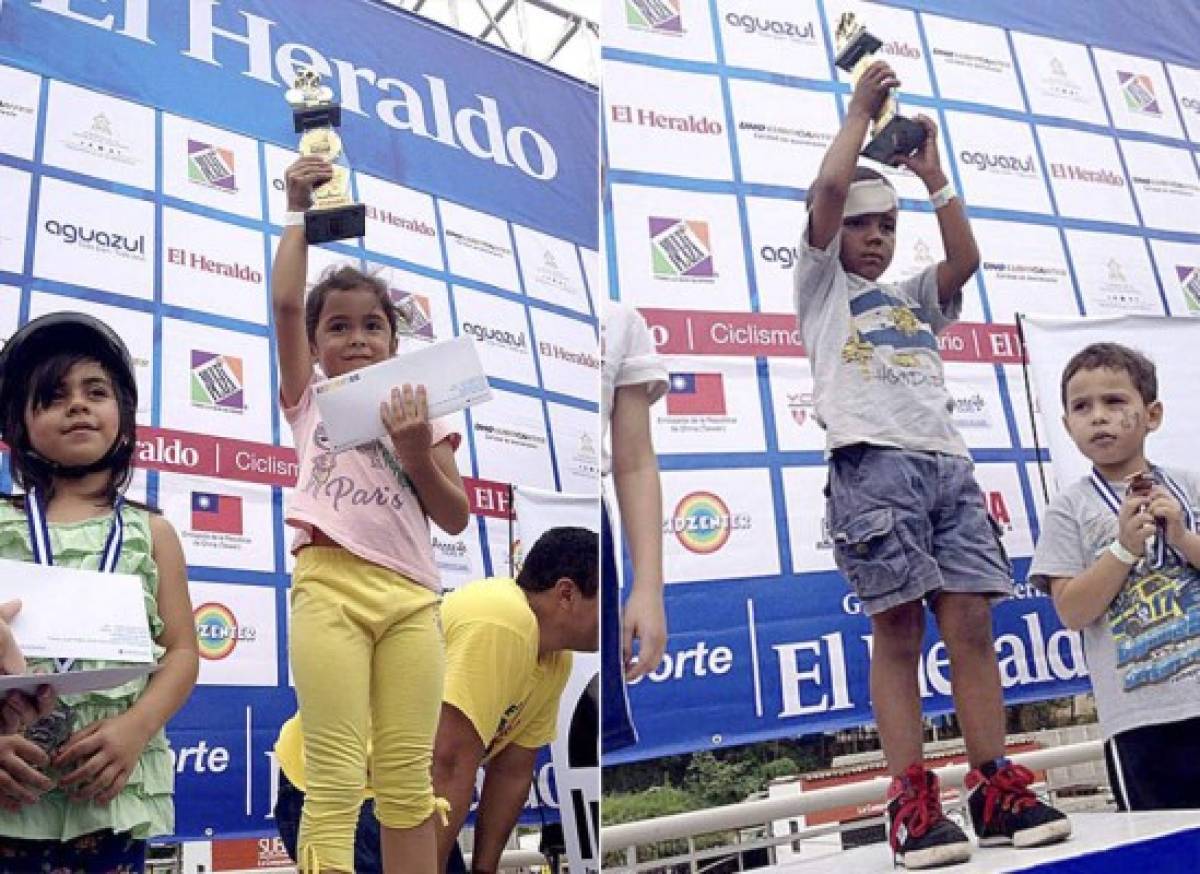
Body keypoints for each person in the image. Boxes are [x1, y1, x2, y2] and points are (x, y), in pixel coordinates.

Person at [794, 61, 1069, 867]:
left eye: (886, 228)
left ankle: (993, 787)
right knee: (898, 628)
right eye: (861, 227)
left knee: (974, 623)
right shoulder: (820, 285)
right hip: (872, 466)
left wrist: (936, 177)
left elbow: (964, 263)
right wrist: (856, 116)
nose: (874, 238)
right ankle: (912, 798)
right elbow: (827, 193)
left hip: (948, 465)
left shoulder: (915, 295)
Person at [274, 157, 470, 874]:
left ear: (394, 339)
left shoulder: (426, 406)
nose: (356, 338)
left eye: (372, 327)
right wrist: (297, 212)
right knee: (331, 777)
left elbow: (455, 519)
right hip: (328, 587)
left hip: (414, 600)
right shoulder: (309, 400)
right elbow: (286, 306)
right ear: (317, 346)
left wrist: (418, 451)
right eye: (338, 327)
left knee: (405, 783)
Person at [272, 526, 598, 874]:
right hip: (340, 788)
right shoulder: (504, 620)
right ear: (566, 594)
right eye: (607, 601)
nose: (615, 617)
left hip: (398, 792)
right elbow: (446, 762)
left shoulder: (555, 658)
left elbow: (512, 772)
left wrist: (485, 870)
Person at [0, 312, 198, 872]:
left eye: (96, 391)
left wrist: (136, 729)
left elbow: (183, 652)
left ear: (123, 416)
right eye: (54, 395)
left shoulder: (152, 532)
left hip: (111, 791)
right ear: (21, 421)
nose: (78, 405)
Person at [1030, 343, 1200, 810]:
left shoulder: (1189, 485)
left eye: (1115, 402)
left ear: (1153, 414)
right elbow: (1071, 610)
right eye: (1081, 407)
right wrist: (1123, 548)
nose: (1098, 417)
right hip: (1137, 723)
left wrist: (1183, 539)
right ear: (1066, 426)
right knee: (1165, 852)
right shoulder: (1069, 509)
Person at [600, 300, 668, 754]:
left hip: (587, 534)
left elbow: (635, 463)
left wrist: (648, 588)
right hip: (497, 516)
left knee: (582, 737)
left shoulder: (618, 319)